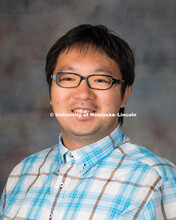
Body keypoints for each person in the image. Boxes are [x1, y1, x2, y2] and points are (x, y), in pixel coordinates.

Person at [0, 24, 176, 220]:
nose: (83, 94)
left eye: (100, 80)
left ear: (124, 94)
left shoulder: (157, 180)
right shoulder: (23, 173)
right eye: (67, 78)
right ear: (51, 91)